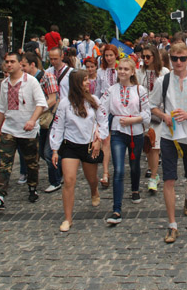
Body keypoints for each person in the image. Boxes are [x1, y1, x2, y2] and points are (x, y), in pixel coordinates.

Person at [150, 43, 187, 244]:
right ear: (170, 59)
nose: (179, 62)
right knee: (169, 179)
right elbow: (152, 105)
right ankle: (172, 225)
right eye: (174, 58)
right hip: (169, 136)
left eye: (182, 58)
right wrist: (164, 116)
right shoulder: (163, 81)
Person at [0, 52, 47, 211]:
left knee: (31, 162)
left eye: (12, 61)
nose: (9, 64)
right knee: (4, 163)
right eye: (7, 62)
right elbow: (1, 107)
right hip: (9, 129)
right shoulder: (4, 83)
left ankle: (32, 187)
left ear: (20, 64)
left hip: (28, 130)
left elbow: (41, 103)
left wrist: (32, 120)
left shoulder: (31, 81)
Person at [50, 70, 109, 232]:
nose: (88, 82)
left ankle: (94, 191)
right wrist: (55, 149)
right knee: (69, 181)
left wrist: (99, 140)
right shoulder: (65, 104)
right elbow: (58, 126)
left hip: (88, 145)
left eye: (87, 79)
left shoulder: (94, 101)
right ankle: (68, 218)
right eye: (84, 80)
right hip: (70, 146)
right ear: (76, 83)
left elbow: (103, 121)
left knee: (92, 179)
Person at [101, 58, 151, 225]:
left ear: (132, 72)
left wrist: (133, 120)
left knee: (134, 164)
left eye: (126, 69)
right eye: (120, 68)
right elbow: (102, 110)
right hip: (117, 132)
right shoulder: (111, 90)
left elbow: (147, 113)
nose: (122, 72)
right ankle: (117, 209)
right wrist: (100, 130)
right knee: (119, 170)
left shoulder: (139, 90)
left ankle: (135, 188)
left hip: (135, 132)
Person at [20, 52, 61, 193]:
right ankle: (61, 170)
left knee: (48, 152)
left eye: (24, 65)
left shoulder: (47, 77)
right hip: (38, 121)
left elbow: (53, 99)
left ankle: (55, 181)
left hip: (51, 119)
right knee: (42, 152)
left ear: (32, 65)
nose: (22, 68)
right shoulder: (24, 80)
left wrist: (36, 112)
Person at [136, 44, 169, 193]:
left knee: (155, 146)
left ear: (155, 56)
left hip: (158, 113)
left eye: (148, 56)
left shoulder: (164, 72)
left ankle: (154, 177)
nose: (145, 59)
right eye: (143, 56)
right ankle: (152, 169)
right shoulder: (139, 72)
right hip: (143, 113)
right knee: (148, 146)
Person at [95, 43, 120, 187]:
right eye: (106, 55)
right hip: (105, 107)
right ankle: (105, 172)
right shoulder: (100, 72)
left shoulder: (120, 69)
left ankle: (118, 168)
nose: (109, 58)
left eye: (111, 55)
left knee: (117, 139)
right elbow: (98, 90)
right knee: (105, 139)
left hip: (119, 107)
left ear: (116, 55)